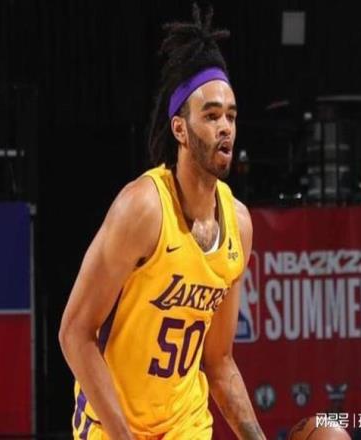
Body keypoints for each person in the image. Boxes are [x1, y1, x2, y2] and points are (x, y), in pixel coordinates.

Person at [58, 4, 266, 440]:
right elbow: (75, 333)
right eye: (211, 115)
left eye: (230, 116)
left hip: (185, 423)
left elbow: (219, 361)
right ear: (180, 129)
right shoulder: (143, 208)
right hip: (114, 425)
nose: (225, 127)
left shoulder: (239, 225)